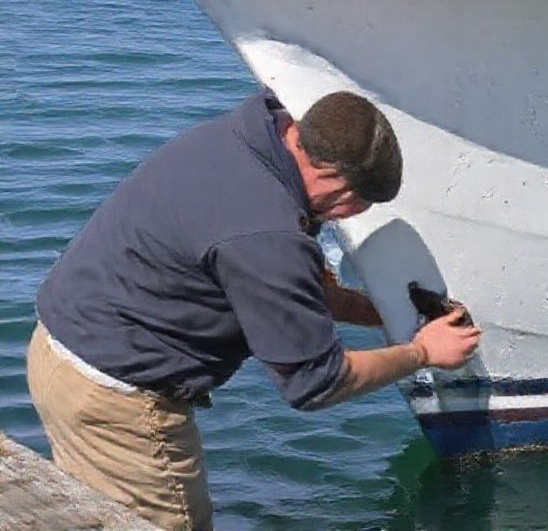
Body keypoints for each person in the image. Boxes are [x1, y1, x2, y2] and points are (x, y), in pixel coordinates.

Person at [26, 89, 481, 530]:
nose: (348, 216)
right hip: (117, 401)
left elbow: (292, 289)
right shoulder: (268, 234)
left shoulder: (247, 138)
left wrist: (385, 312)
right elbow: (315, 383)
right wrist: (421, 352)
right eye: (357, 202)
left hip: (59, 352)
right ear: (331, 177)